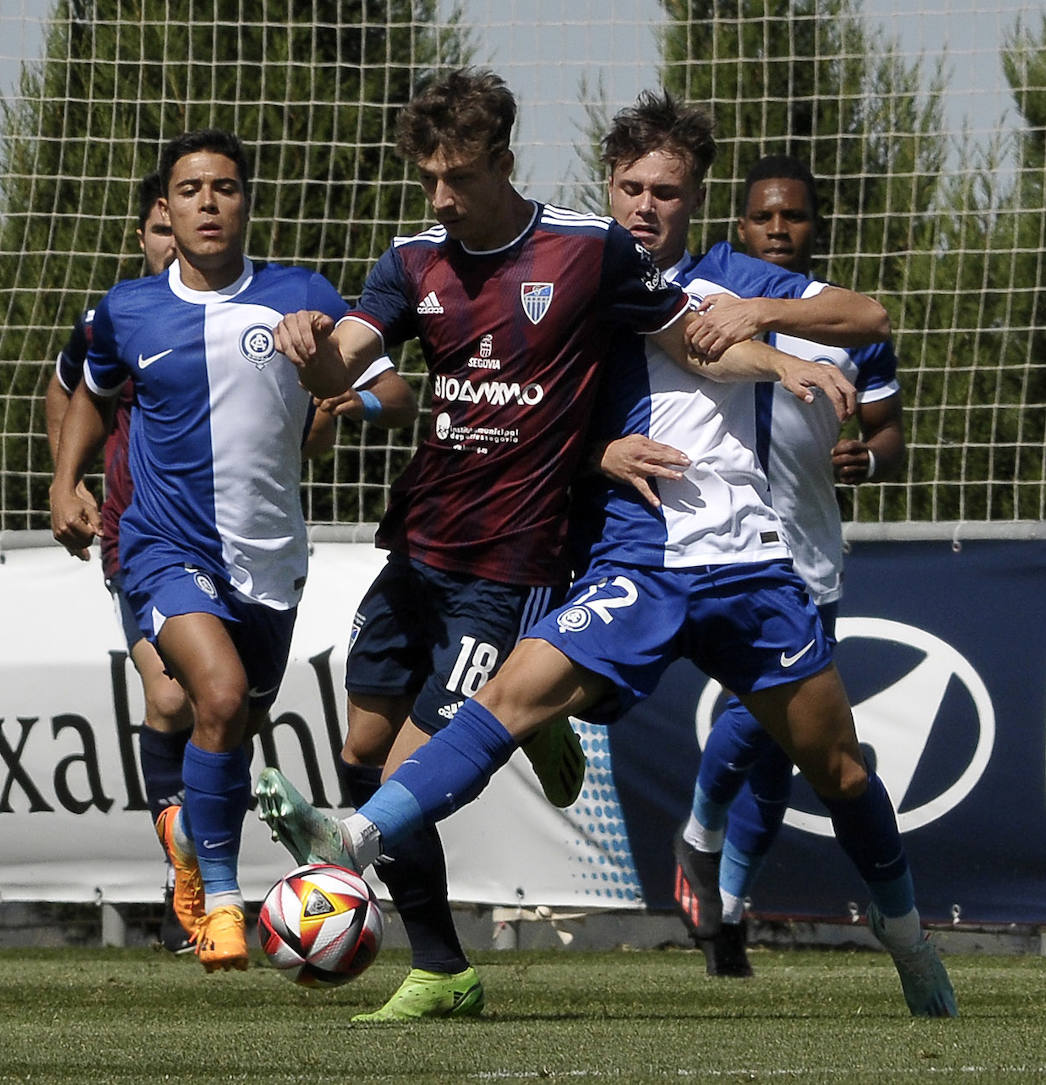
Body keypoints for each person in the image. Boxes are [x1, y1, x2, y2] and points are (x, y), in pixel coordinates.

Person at [257, 90, 957, 1019]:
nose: (646, 207)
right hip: (633, 558)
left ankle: (907, 940)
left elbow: (857, 316)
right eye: (631, 187)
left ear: (696, 197)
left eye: (666, 192)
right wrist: (602, 452)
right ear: (609, 187)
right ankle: (358, 834)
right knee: (506, 696)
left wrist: (770, 336)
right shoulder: (586, 268)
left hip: (747, 561)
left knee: (843, 772)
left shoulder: (715, 276)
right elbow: (531, 409)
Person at [49, 128, 416, 972]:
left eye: (223, 187)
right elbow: (88, 393)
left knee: (234, 722)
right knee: (209, 696)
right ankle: (221, 903)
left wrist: (331, 379)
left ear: (246, 202)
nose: (207, 203)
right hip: (161, 543)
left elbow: (394, 395)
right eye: (189, 190)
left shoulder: (300, 295)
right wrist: (65, 480)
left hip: (271, 560)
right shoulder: (129, 309)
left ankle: (188, 840)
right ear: (166, 213)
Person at [668, 154, 906, 976]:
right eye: (764, 215)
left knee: (783, 752)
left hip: (810, 542)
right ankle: (699, 835)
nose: (778, 227)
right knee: (764, 710)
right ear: (739, 225)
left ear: (812, 229)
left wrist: (867, 462)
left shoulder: (833, 320)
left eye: (794, 217)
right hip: (720, 539)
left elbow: (888, 434)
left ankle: (728, 911)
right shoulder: (692, 293)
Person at [45, 172, 197, 954]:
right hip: (135, 534)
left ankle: (217, 873)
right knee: (170, 697)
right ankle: (188, 883)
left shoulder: (245, 311)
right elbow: (68, 388)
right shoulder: (114, 317)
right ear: (144, 235)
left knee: (227, 707)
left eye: (184, 225)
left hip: (235, 543)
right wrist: (65, 479)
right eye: (159, 228)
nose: (172, 240)